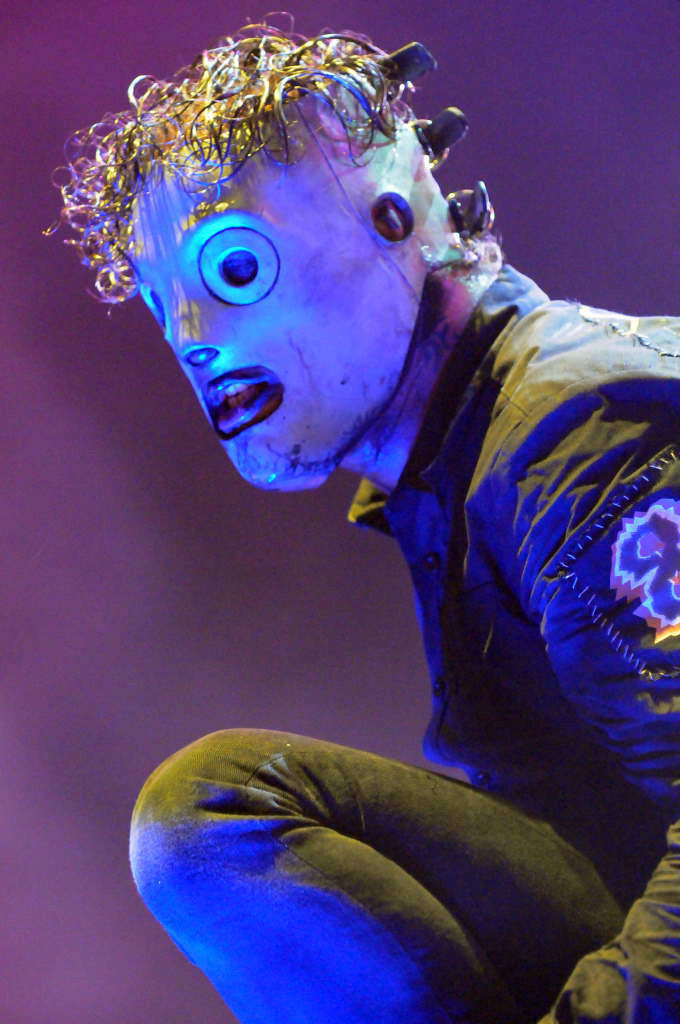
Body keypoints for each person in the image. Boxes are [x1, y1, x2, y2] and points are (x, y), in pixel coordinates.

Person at [53, 19, 680, 1024]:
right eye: (168, 310)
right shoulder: (460, 465)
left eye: (235, 272)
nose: (197, 343)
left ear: (394, 219)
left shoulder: (573, 437)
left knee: (210, 815)